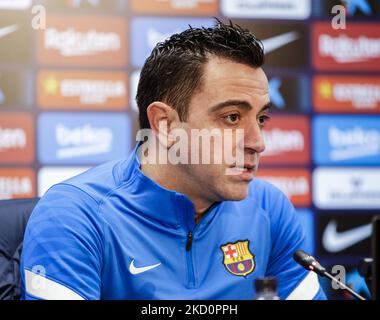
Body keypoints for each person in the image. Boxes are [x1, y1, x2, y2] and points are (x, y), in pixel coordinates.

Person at [21, 20, 326, 300]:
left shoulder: (269, 209)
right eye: (232, 117)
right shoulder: (73, 215)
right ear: (165, 125)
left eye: (261, 118)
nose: (258, 143)